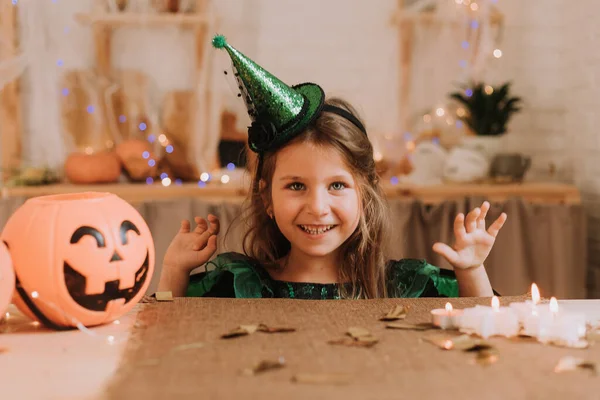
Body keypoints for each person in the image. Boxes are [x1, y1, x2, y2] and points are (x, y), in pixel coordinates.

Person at [157, 35, 507, 300]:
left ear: (364, 192)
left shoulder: (405, 287)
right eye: (296, 186)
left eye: (337, 185)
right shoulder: (236, 284)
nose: (318, 207)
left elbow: (482, 339)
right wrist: (174, 270)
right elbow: (165, 334)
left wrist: (472, 271)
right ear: (266, 197)